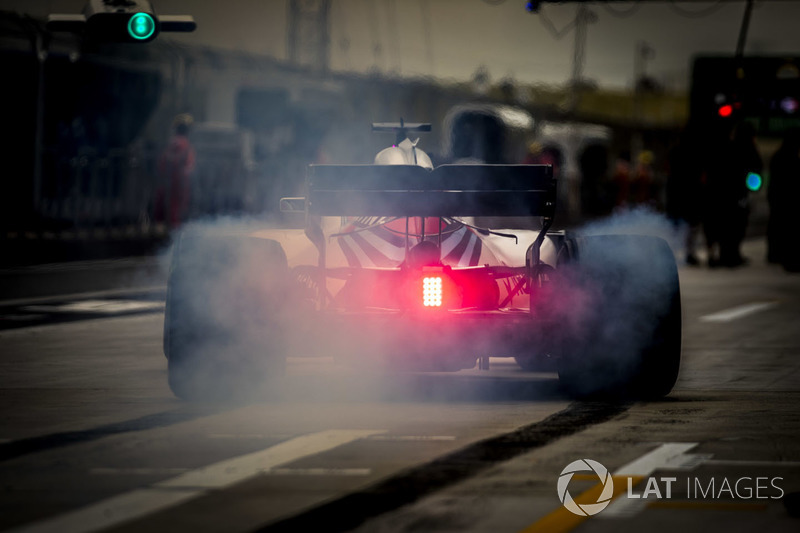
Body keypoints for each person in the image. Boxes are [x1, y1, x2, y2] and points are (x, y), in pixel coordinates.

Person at [703, 122, 761, 267]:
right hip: (737, 196)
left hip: (721, 197)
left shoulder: (725, 148)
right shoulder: (748, 150)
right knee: (736, 227)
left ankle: (726, 255)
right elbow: (755, 173)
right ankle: (731, 255)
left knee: (725, 227)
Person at [666, 128, 704, 265]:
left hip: (677, 194)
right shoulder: (696, 154)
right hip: (690, 195)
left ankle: (675, 253)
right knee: (690, 227)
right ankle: (689, 253)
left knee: (677, 227)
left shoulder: (674, 152)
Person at [767, 129, 800, 271]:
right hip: (786, 198)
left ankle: (776, 254)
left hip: (778, 196)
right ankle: (787, 258)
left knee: (778, 225)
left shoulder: (779, 155)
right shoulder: (791, 157)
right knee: (788, 228)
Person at [157, 114, 196, 229]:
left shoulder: (172, 142)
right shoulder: (185, 144)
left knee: (167, 208)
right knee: (176, 209)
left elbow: (163, 163)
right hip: (179, 181)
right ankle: (174, 235)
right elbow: (188, 166)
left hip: (170, 180)